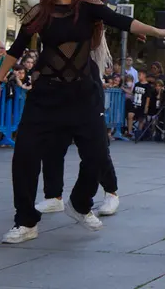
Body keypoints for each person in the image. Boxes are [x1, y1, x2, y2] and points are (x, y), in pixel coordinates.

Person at [0, 0, 165, 244]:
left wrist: (157, 31)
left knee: (98, 156)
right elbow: (15, 49)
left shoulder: (89, 7)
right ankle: (25, 221)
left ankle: (80, 203)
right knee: (24, 157)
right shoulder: (40, 12)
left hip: (83, 95)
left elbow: (125, 22)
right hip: (45, 96)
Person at [35, 58, 121, 217]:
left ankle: (111, 192)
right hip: (60, 109)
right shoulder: (52, 60)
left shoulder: (88, 63)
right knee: (52, 150)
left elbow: (96, 91)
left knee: (97, 153)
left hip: (87, 110)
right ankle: (54, 196)